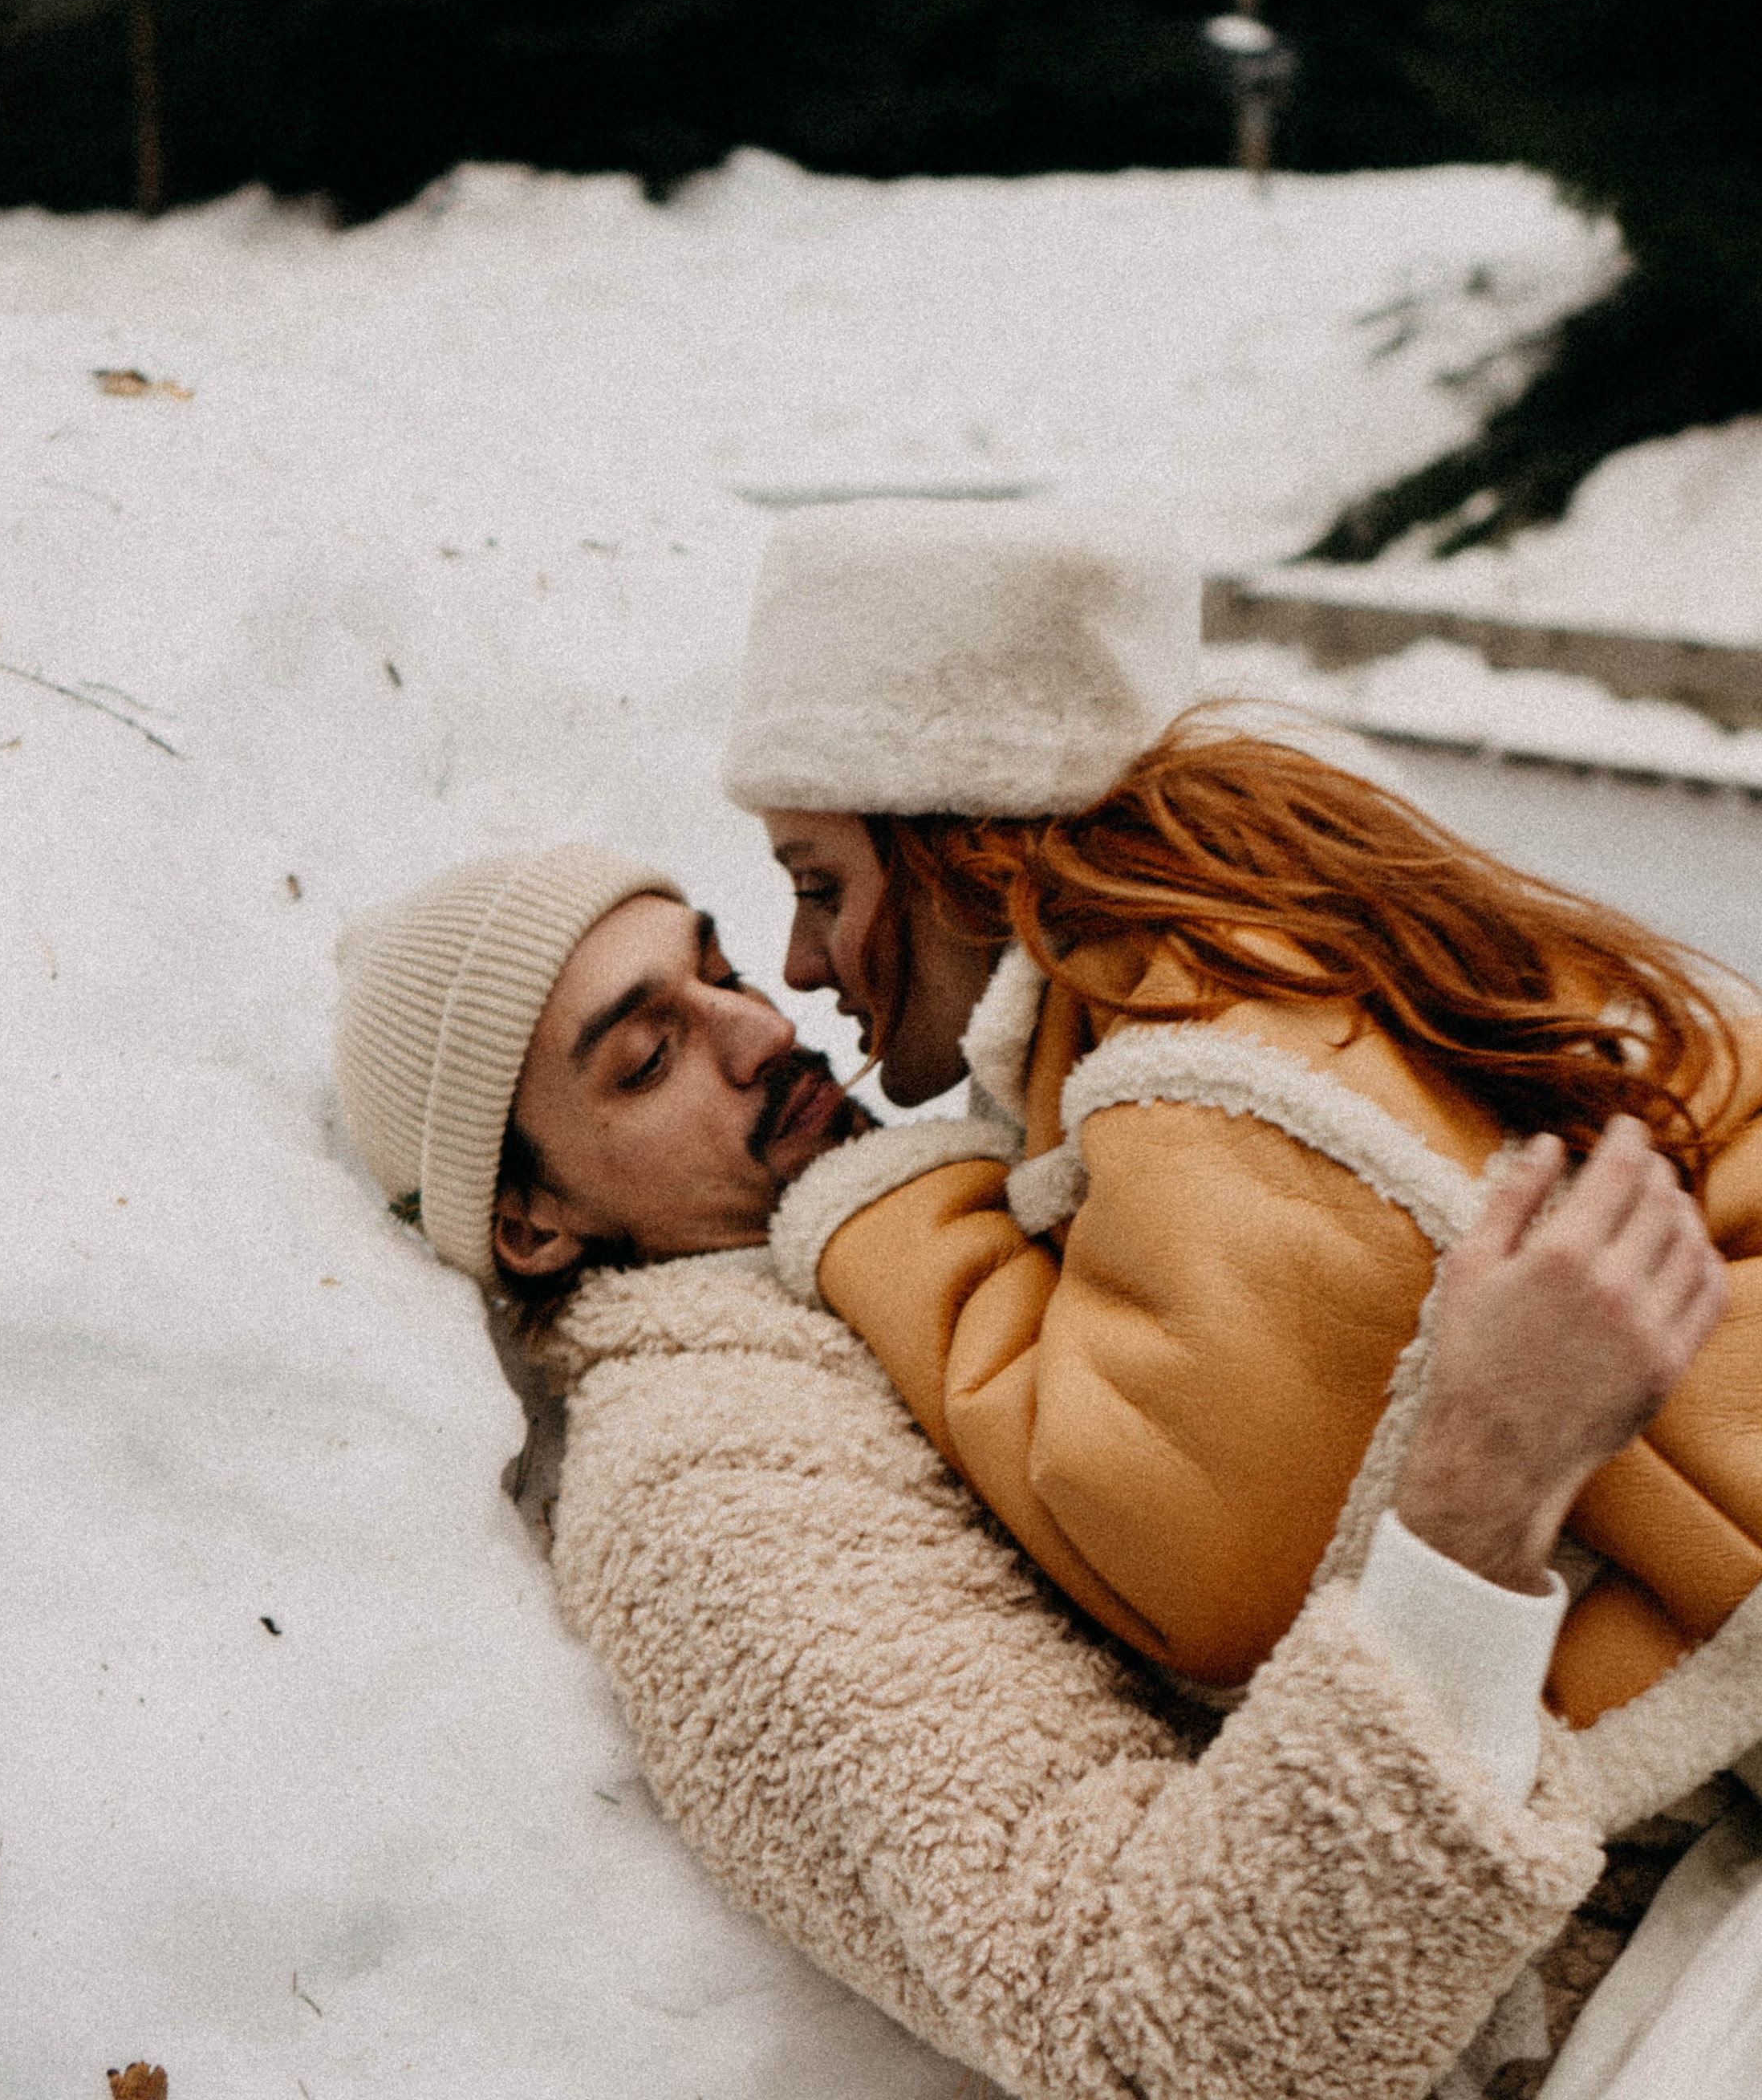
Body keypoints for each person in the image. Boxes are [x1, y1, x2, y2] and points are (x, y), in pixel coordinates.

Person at [331, 843, 1732, 2100]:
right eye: (646, 1060)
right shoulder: (712, 1481)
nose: (762, 1033)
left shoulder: (916, 1217)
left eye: (723, 973)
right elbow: (1149, 2036)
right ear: (532, 1223)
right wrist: (1483, 1489)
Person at [721, 498, 1762, 1806]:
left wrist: (880, 1205)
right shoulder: (1237, 948)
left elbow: (1198, 1562)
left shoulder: (1205, 1057)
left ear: (955, 845)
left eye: (820, 884)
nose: (798, 964)